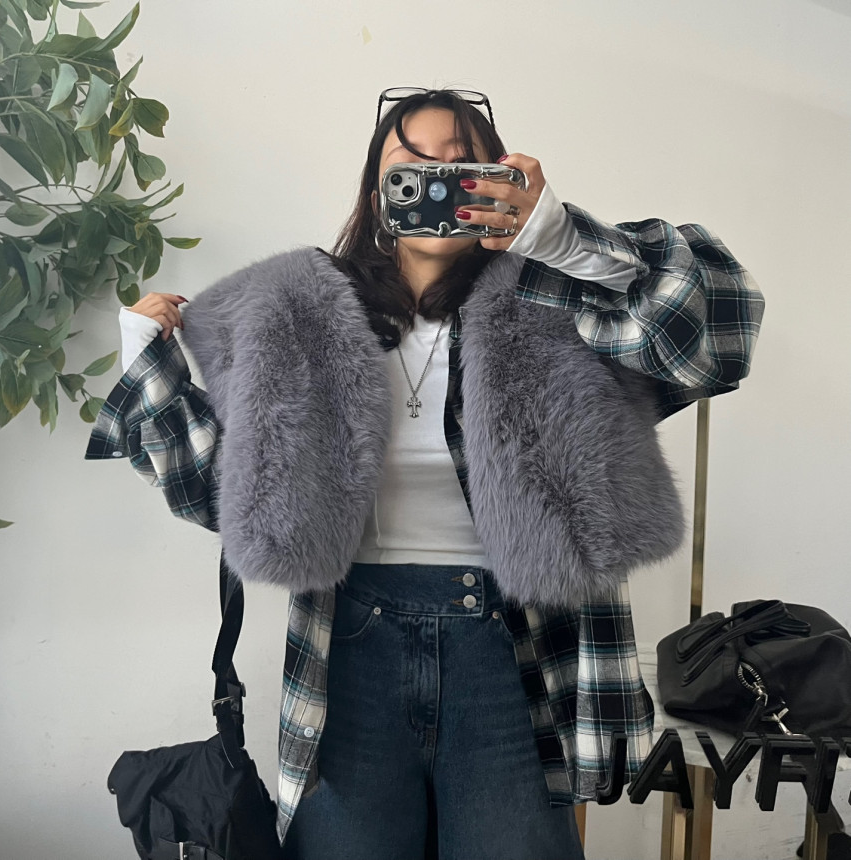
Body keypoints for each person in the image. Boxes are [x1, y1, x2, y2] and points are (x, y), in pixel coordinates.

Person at [86, 87, 764, 859]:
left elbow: (721, 333)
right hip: (352, 650)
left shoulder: (559, 306)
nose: (435, 182)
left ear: (499, 179)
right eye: (409, 165)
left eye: (459, 164)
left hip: (508, 650)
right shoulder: (304, 316)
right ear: (377, 191)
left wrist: (563, 239)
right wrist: (145, 356)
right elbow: (225, 494)